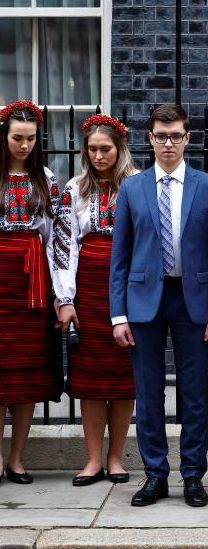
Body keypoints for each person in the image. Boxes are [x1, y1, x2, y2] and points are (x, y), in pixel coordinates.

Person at [109, 103, 208, 507]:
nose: (168, 143)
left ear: (187, 138)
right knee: (148, 393)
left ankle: (193, 475)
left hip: (192, 301)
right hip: (144, 303)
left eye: (176, 135)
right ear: (150, 138)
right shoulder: (132, 188)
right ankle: (155, 474)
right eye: (161, 136)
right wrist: (118, 314)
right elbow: (120, 257)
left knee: (196, 394)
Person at [49, 114, 139, 487]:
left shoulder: (137, 185)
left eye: (106, 149)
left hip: (128, 289)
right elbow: (63, 243)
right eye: (93, 149)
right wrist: (65, 298)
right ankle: (91, 460)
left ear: (120, 150)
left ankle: (116, 458)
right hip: (87, 285)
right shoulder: (75, 188)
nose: (99, 155)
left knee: (123, 378)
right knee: (89, 378)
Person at [0, 99, 63, 485]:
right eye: (16, 138)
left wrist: (61, 292)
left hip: (32, 283)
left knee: (25, 379)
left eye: (30, 139)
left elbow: (57, 235)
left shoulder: (47, 178)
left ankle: (17, 459)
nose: (24, 145)